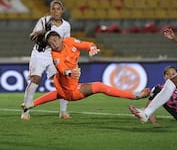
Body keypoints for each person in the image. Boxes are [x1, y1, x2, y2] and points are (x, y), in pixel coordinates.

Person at [21, 31, 150, 118]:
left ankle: (31, 104)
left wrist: (92, 48)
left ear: (61, 38)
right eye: (51, 43)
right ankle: (135, 96)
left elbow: (87, 44)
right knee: (99, 86)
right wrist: (70, 72)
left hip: (64, 87)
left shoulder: (70, 41)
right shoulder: (55, 54)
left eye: (55, 40)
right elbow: (61, 69)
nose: (54, 44)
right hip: (71, 91)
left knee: (59, 92)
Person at [21, 0, 72, 120]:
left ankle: (63, 112)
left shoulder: (66, 25)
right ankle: (25, 111)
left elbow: (67, 43)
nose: (55, 11)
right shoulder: (44, 21)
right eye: (53, 9)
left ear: (62, 11)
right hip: (40, 54)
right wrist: (41, 32)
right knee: (36, 79)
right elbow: (31, 36)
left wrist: (66, 58)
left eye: (58, 9)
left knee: (62, 82)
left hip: (55, 55)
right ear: (50, 10)